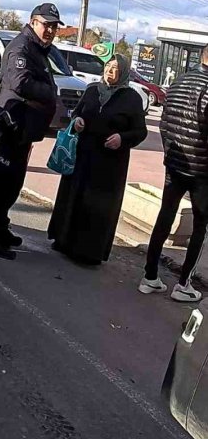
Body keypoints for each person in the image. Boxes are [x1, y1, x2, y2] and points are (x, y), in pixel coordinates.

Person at [0, 3, 61, 260]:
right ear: (33, 21)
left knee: (12, 184)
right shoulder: (21, 47)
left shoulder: (39, 49)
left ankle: (1, 227)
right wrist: (51, 93)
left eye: (54, 26)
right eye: (46, 24)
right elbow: (20, 82)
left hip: (22, 131)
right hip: (8, 128)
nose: (50, 30)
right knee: (1, 184)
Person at [48, 54, 147, 265]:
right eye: (108, 66)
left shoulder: (131, 98)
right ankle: (63, 241)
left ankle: (88, 252)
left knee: (98, 206)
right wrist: (77, 120)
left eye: (115, 68)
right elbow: (77, 112)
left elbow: (140, 131)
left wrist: (122, 138)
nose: (110, 71)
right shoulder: (92, 89)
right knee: (74, 197)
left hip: (109, 163)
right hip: (83, 155)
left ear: (123, 73)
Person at [139, 44, 208, 302]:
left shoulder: (178, 82)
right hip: (202, 169)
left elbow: (164, 123)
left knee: (165, 216)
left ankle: (150, 277)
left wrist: (170, 152)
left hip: (176, 163)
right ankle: (183, 284)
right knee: (200, 226)